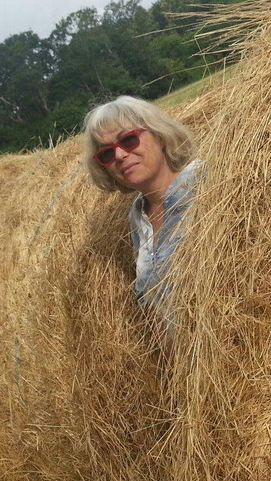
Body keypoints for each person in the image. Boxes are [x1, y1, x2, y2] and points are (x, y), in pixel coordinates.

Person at [82, 96, 202, 326]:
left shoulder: (205, 185)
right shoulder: (138, 217)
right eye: (106, 154)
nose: (119, 155)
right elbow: (154, 305)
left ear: (159, 136)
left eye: (128, 140)